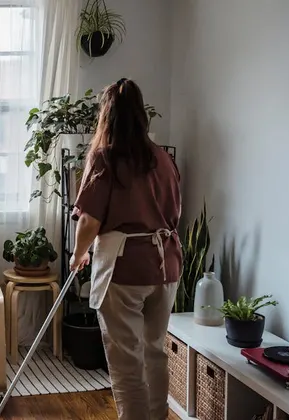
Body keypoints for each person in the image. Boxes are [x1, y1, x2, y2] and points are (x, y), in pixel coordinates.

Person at [69, 78, 182, 420]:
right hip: (166, 268)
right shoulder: (162, 158)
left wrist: (78, 255)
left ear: (108, 116)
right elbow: (174, 212)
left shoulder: (106, 158)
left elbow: (89, 222)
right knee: (154, 353)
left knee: (126, 362)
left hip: (124, 270)